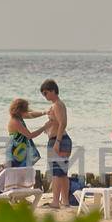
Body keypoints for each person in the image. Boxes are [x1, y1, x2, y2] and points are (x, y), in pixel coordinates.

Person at [32, 79, 72, 208]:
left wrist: (57, 142)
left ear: (53, 91)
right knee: (63, 172)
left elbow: (63, 123)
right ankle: (65, 201)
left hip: (58, 140)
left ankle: (55, 201)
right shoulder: (58, 104)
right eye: (43, 94)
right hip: (60, 139)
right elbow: (57, 123)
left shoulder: (56, 105)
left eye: (46, 93)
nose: (45, 96)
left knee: (56, 172)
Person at [6, 99, 40, 169]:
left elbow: (31, 115)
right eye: (25, 110)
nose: (27, 111)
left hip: (21, 148)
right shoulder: (15, 121)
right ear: (20, 110)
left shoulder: (18, 118)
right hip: (17, 150)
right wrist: (45, 127)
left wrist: (44, 112)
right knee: (19, 171)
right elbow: (30, 135)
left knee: (22, 170)